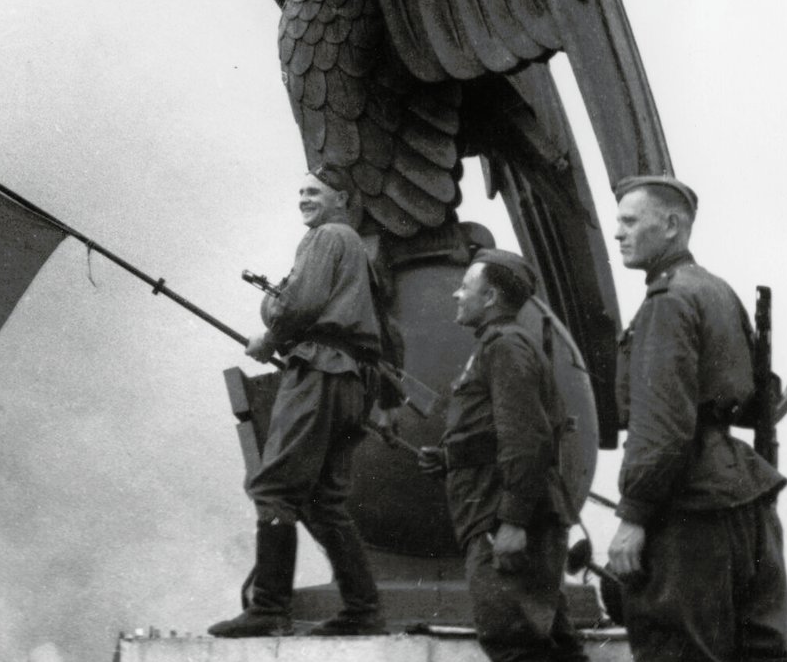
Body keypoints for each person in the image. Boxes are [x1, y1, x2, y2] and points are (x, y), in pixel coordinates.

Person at [606, 176, 787, 662]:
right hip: (746, 502)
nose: (618, 233)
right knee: (762, 650)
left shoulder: (667, 302)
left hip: (689, 508)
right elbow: (758, 393)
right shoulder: (717, 291)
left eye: (630, 221)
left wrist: (633, 516)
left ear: (671, 226)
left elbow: (663, 424)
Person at [207, 164, 384, 638]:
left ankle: (268, 608)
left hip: (321, 373)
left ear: (341, 199)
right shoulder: (357, 249)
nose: (304, 198)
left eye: (315, 191)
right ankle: (364, 609)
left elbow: (300, 305)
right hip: (353, 382)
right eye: (301, 191)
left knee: (273, 488)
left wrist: (269, 337)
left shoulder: (326, 237)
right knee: (325, 502)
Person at [419, 250, 586, 662]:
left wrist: (512, 521)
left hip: (504, 519)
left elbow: (526, 438)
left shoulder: (506, 347)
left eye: (466, 288)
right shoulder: (500, 345)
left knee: (513, 643)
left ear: (491, 296)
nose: (457, 295)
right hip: (506, 511)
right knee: (551, 646)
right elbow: (499, 431)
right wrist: (450, 457)